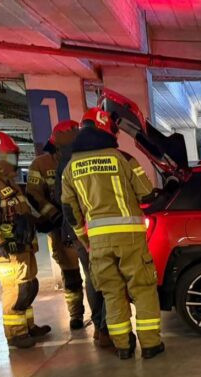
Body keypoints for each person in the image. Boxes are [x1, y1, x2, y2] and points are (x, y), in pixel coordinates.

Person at [61, 108, 164, 360]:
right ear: (107, 129)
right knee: (142, 289)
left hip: (97, 242)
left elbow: (70, 210)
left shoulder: (70, 168)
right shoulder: (123, 159)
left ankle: (123, 346)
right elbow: (146, 193)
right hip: (130, 239)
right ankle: (150, 344)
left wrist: (85, 240)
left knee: (112, 292)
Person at [0, 132, 51, 348]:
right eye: (10, 157)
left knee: (29, 285)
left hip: (22, 244)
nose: (14, 162)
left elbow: (22, 210)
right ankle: (16, 334)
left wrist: (39, 222)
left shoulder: (8, 182)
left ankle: (28, 326)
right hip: (7, 247)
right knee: (17, 289)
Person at [53, 124, 112, 348]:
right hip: (98, 230)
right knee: (109, 278)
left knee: (92, 278)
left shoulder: (64, 164)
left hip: (78, 232)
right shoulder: (101, 157)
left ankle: (98, 327)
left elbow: (62, 200)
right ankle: (106, 329)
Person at [27, 120, 85, 331]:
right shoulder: (41, 165)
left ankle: (101, 320)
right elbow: (33, 194)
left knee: (97, 272)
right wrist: (54, 214)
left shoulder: (83, 158)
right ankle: (76, 314)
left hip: (84, 225)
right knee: (71, 274)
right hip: (60, 228)